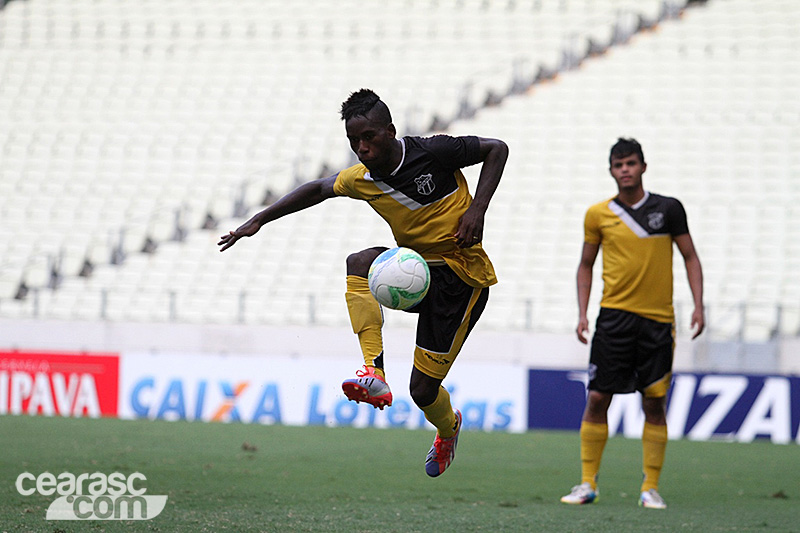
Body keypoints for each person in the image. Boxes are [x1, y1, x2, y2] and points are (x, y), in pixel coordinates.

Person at [218, 89, 508, 477]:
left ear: (389, 131)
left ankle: (448, 428)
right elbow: (318, 188)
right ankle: (374, 371)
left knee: (422, 392)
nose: (361, 148)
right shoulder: (363, 178)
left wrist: (477, 210)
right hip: (419, 269)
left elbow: (497, 149)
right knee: (359, 262)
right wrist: (259, 220)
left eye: (368, 137)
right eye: (354, 141)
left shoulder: (433, 151)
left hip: (461, 278)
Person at [560, 138, 704, 509]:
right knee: (597, 398)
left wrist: (699, 306)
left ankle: (650, 488)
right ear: (611, 170)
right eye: (618, 164)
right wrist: (582, 313)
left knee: (654, 403)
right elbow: (585, 264)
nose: (625, 169)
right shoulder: (597, 214)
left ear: (643, 166)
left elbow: (690, 257)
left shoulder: (668, 209)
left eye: (631, 163)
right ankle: (587, 483)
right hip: (613, 319)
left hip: (657, 322)